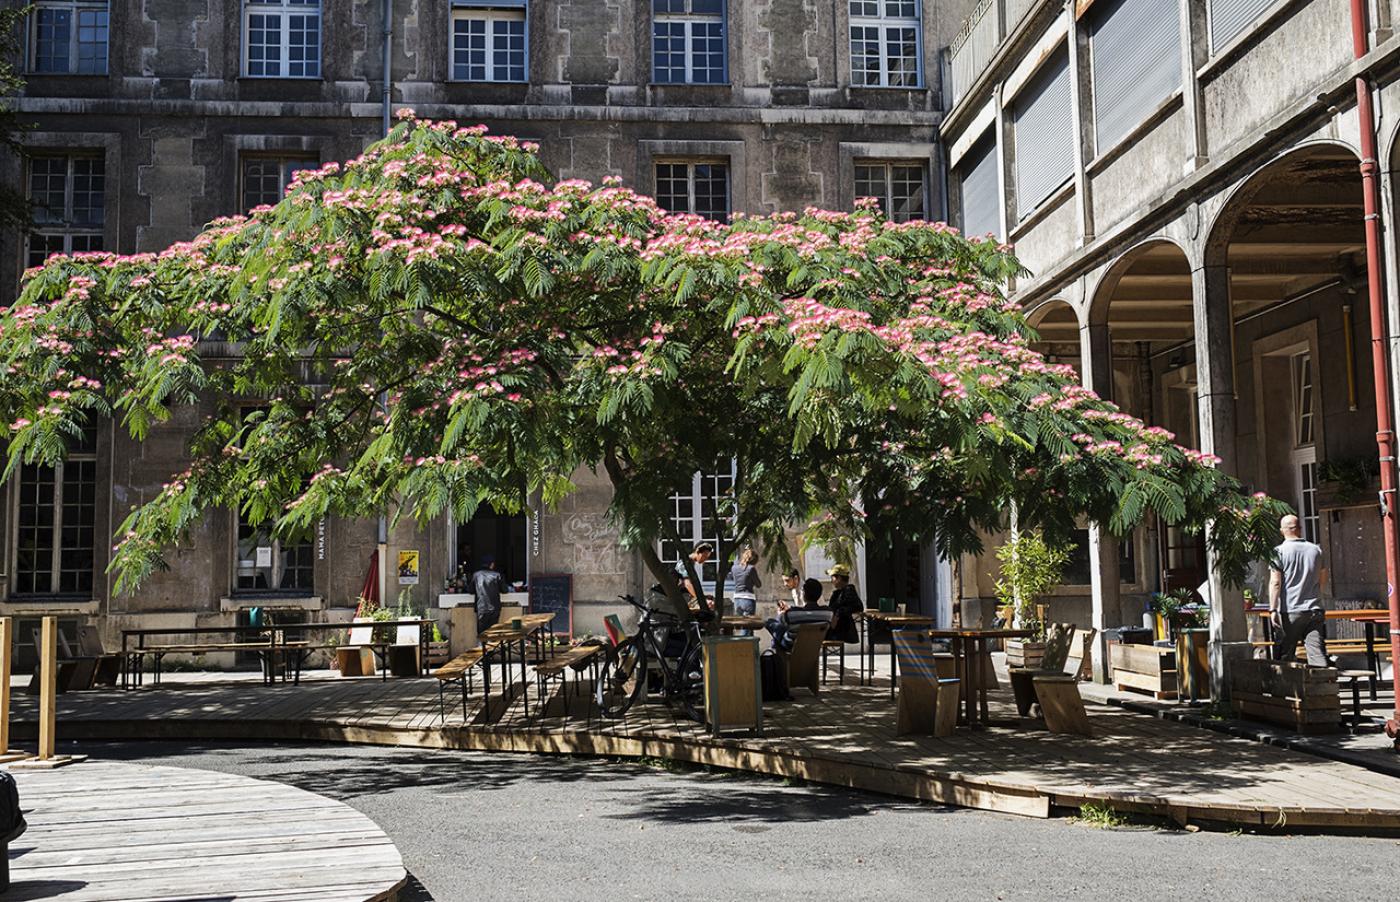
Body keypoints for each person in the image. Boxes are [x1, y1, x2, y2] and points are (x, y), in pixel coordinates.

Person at [1269, 514, 1330, 666]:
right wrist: (1317, 595)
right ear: (1300, 530)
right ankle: (1322, 686)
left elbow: (1275, 582)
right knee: (1316, 652)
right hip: (1315, 609)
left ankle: (1287, 689)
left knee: (1285, 654)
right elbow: (1323, 578)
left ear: (1282, 531)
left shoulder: (1278, 552)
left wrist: (1273, 609)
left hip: (1291, 610)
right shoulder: (1316, 550)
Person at [766, 578, 830, 651]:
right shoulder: (827, 613)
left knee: (770, 623)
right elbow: (806, 611)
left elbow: (782, 622)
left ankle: (775, 658)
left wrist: (781, 614)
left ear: (804, 594)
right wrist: (789, 609)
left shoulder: (791, 614)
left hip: (792, 646)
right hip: (814, 647)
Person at [826, 563, 864, 644]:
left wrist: (838, 613)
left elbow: (858, 606)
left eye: (832, 577)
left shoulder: (848, 591)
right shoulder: (837, 593)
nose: (831, 581)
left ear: (839, 578)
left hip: (841, 631)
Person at [728, 548, 762, 637]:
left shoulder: (734, 568)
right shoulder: (751, 569)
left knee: (743, 625)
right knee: (748, 627)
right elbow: (758, 584)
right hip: (748, 599)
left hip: (737, 599)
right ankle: (743, 648)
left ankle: (749, 648)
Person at [472, 556, 506, 635]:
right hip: (494, 608)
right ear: (492, 564)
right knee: (493, 633)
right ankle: (492, 647)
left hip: (481, 608)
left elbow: (470, 590)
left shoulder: (476, 575)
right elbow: (505, 590)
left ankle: (482, 647)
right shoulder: (497, 575)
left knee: (482, 634)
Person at [675, 542, 714, 607]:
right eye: (704, 556)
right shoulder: (684, 563)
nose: (705, 559)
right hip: (676, 599)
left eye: (707, 557)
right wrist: (702, 600)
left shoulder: (690, 563)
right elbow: (687, 584)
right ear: (697, 551)